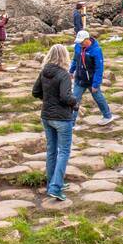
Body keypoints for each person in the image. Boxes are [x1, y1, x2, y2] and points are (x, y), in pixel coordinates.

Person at [33, 44, 77, 201]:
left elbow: (35, 92)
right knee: (64, 151)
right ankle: (56, 187)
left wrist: (48, 100)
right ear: (64, 56)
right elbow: (66, 97)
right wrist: (75, 103)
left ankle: (52, 183)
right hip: (62, 118)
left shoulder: (44, 72)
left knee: (52, 150)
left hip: (46, 116)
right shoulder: (63, 74)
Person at [71, 31, 114, 126]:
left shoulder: (96, 50)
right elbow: (75, 60)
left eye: (82, 42)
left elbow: (99, 69)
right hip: (80, 79)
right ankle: (71, 123)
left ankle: (107, 116)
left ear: (87, 39)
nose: (80, 44)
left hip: (91, 81)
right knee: (74, 100)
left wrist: (95, 84)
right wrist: (71, 71)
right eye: (79, 42)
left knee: (98, 98)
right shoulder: (78, 46)